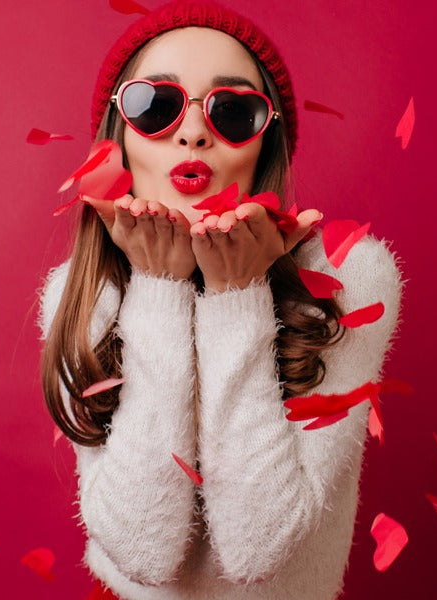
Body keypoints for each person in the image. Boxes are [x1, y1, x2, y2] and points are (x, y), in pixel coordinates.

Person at [37, 1, 403, 597]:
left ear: (267, 142)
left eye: (233, 111)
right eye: (154, 105)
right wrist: (160, 287)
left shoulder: (346, 277)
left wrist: (237, 293)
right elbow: (143, 553)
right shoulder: (81, 292)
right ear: (118, 137)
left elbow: (259, 548)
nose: (193, 131)